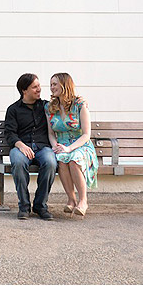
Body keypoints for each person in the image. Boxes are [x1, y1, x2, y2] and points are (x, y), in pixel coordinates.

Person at [4, 73, 57, 220]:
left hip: (43, 147)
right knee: (18, 162)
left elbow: (66, 105)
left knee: (51, 162)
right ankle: (24, 206)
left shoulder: (46, 106)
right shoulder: (13, 109)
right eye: (35, 87)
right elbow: (10, 133)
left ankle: (40, 206)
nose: (39, 89)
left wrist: (79, 102)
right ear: (24, 90)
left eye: (39, 86)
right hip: (21, 147)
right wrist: (20, 145)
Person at [46, 72, 98, 218]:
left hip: (81, 145)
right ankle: (71, 199)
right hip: (61, 145)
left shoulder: (80, 105)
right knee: (62, 159)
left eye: (55, 84)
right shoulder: (50, 107)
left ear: (64, 84)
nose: (51, 87)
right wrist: (55, 145)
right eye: (51, 84)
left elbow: (86, 134)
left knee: (74, 159)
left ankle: (83, 201)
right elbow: (51, 133)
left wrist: (69, 148)